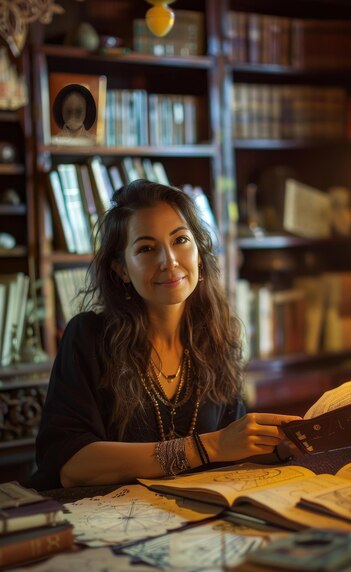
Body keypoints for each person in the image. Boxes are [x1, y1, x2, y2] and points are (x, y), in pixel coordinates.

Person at [29, 180, 301, 490]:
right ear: (120, 269)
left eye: (180, 240)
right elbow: (72, 466)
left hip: (191, 521)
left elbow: (227, 455)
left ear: (199, 253)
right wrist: (205, 447)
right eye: (146, 248)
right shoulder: (88, 336)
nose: (169, 261)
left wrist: (276, 448)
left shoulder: (217, 339)